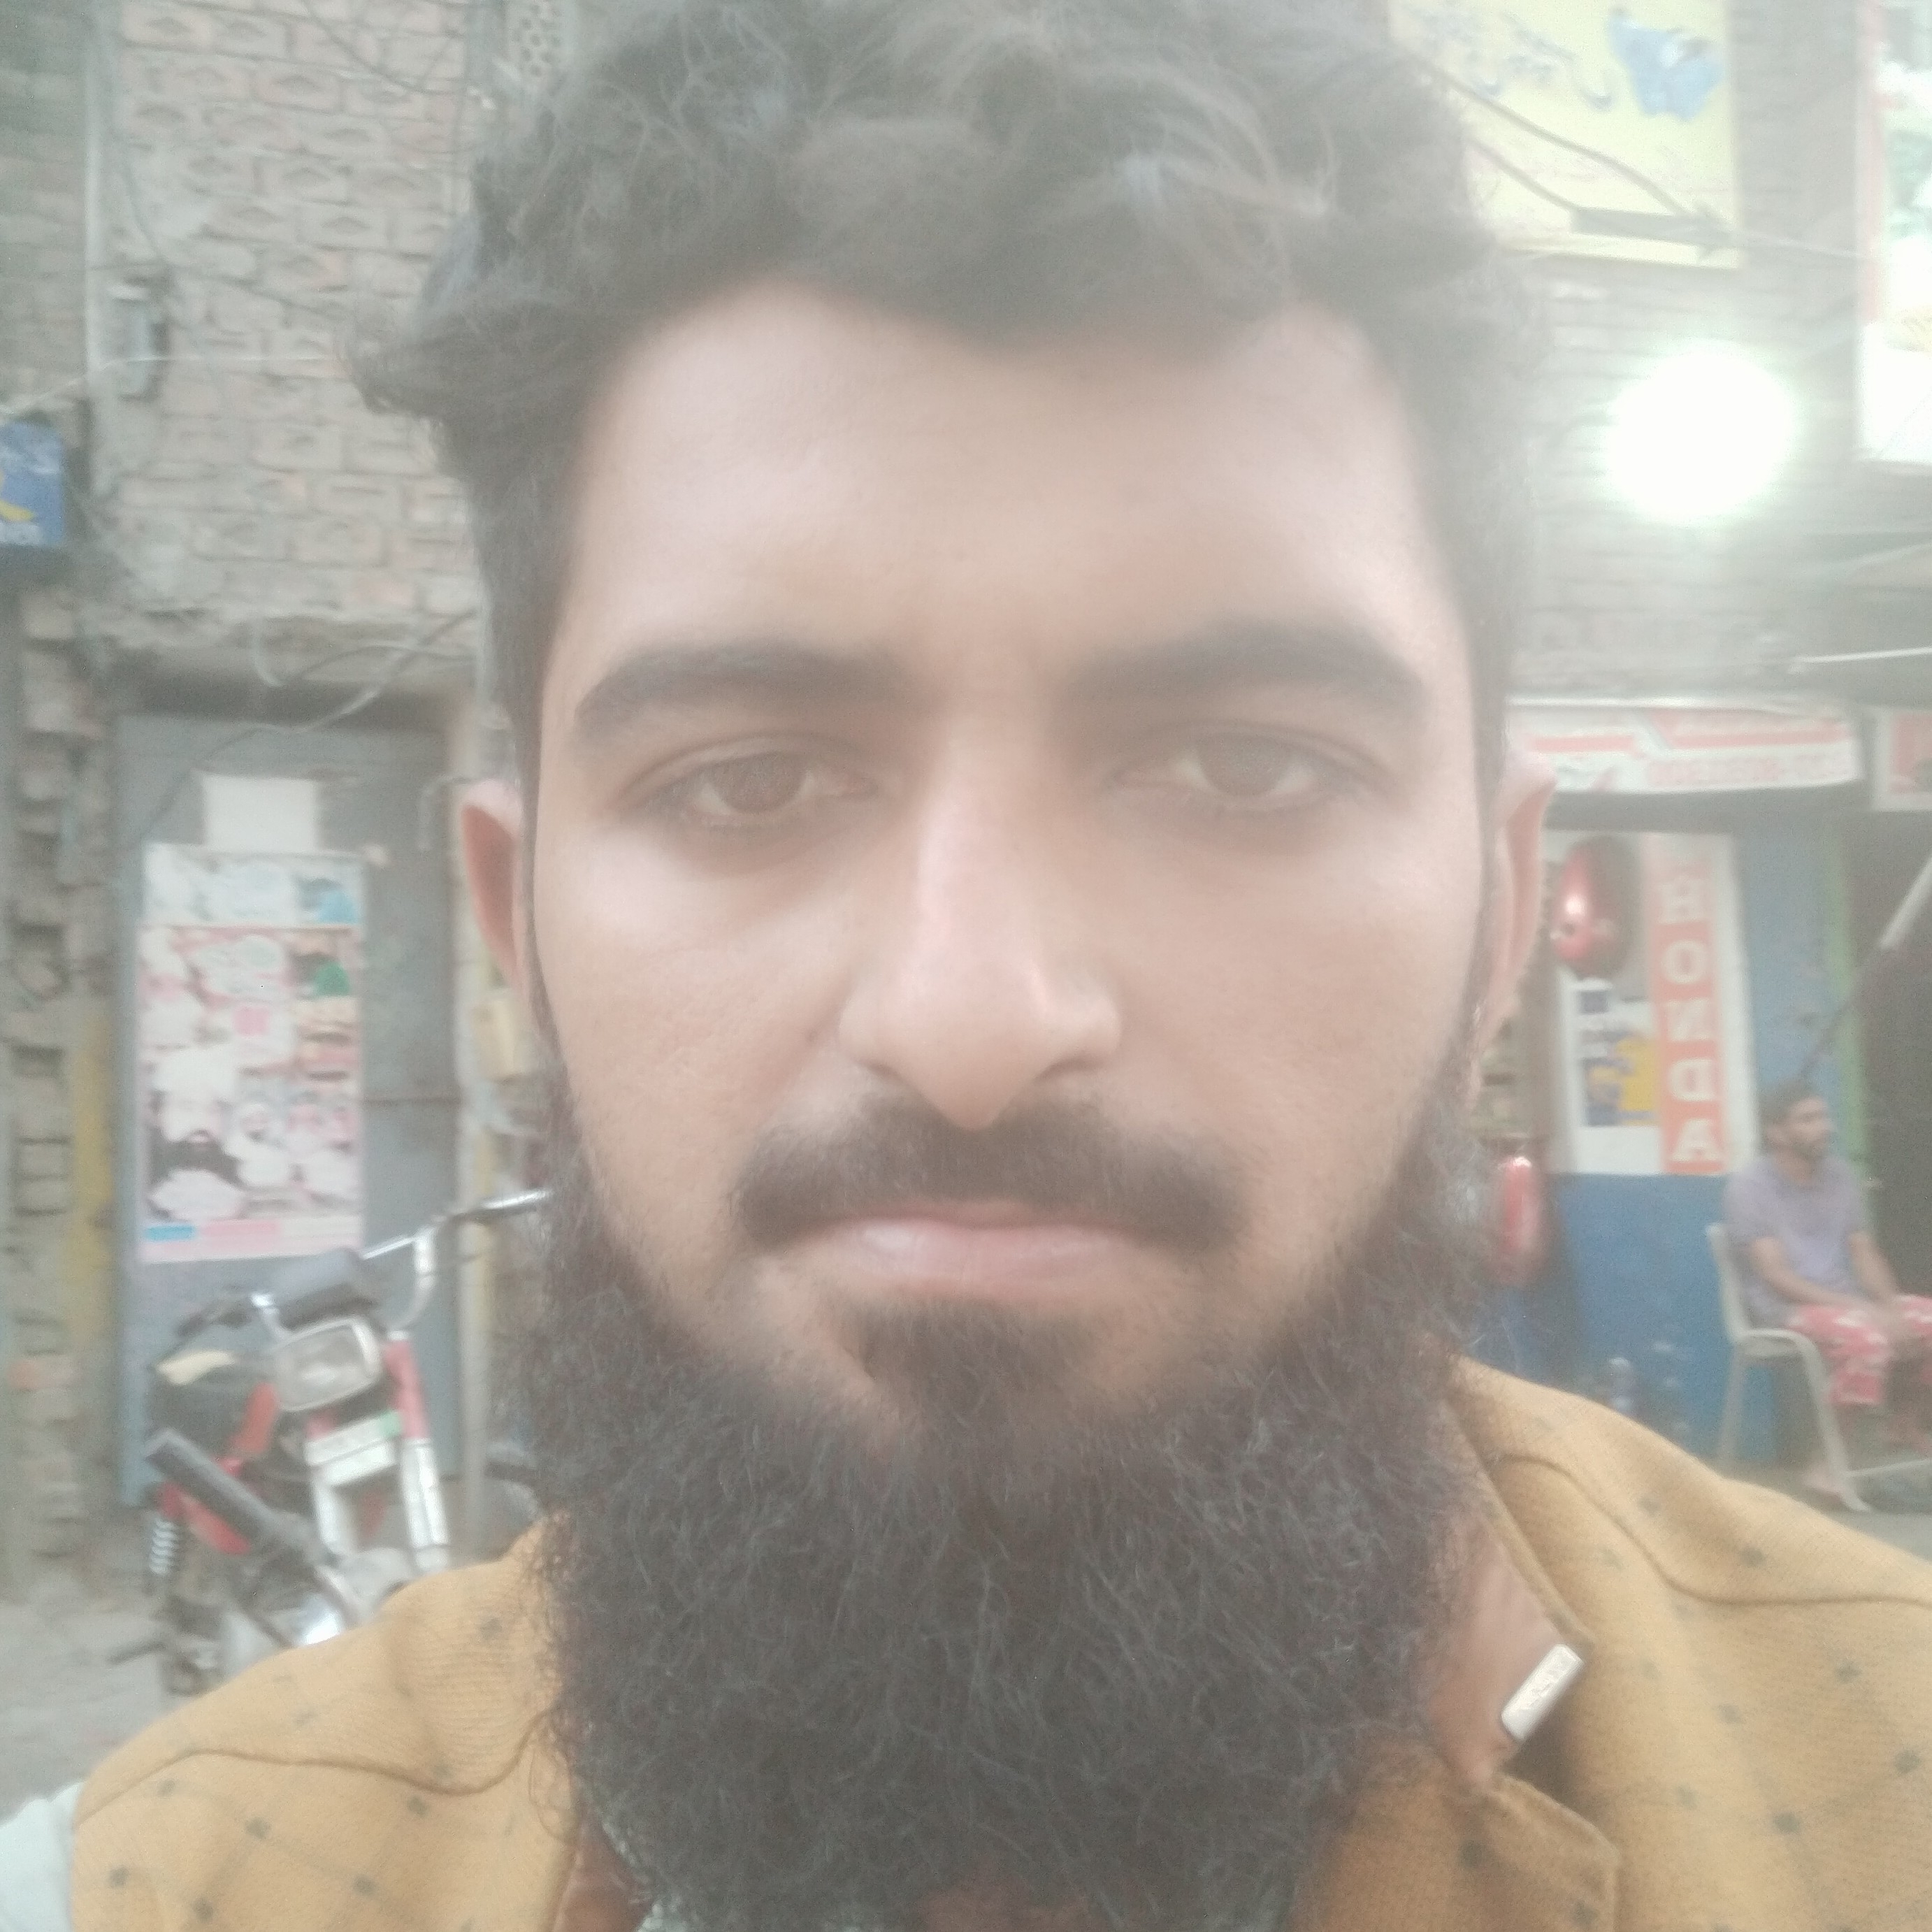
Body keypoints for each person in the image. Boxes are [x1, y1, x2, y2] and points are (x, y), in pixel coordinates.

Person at [25, 2, 1932, 1929]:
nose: (969, 1022)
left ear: (1499, 908)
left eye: (1243, 766)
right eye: (746, 779)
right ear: (516, 920)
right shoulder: (143, 1884)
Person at [1725, 1078, 1932, 1484]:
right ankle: (1827, 1461)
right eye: (1808, 1119)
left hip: (1845, 1302)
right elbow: (1776, 1276)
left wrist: (1890, 1307)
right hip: (1784, 1309)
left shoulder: (1839, 1176)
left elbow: (1863, 1250)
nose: (1825, 1127)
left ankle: (1904, 1425)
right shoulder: (1749, 1187)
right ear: (1777, 1133)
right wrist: (1862, 1310)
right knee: (1866, 1340)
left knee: (1922, 1321)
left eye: (1823, 1117)